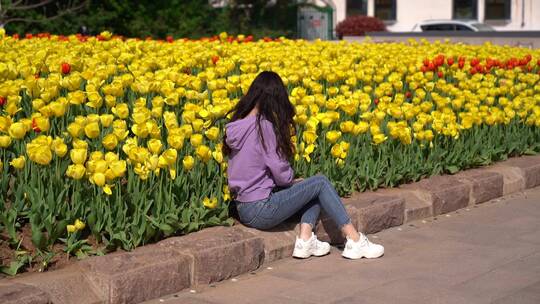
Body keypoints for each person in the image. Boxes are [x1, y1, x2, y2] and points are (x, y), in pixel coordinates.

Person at [222, 71, 384, 260]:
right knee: (320, 182)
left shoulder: (236, 125)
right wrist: (291, 180)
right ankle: (355, 240)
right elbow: (282, 175)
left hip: (243, 207)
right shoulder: (262, 126)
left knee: (311, 190)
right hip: (261, 209)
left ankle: (305, 241)